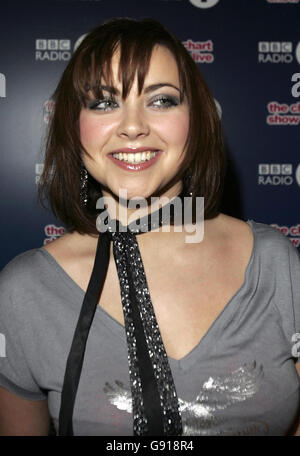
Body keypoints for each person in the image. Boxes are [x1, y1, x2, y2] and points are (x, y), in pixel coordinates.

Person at [0, 17, 299, 437]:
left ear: (196, 119)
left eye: (161, 101)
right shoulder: (24, 292)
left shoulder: (275, 264)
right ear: (73, 124)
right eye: (104, 102)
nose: (133, 125)